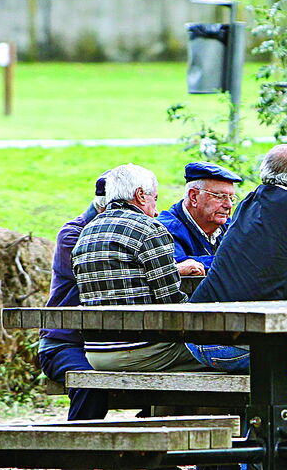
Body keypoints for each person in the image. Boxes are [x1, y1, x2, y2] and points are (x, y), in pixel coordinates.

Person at [187, 143, 287, 436]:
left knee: (277, 368)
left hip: (199, 335)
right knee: (281, 385)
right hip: (238, 341)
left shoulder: (248, 202)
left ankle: (260, 458)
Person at [72, 163, 208, 372]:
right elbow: (173, 305)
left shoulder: (88, 232)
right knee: (239, 354)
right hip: (144, 349)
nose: (155, 211)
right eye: (155, 198)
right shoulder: (149, 229)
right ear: (141, 195)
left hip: (95, 352)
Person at [37, 173, 111, 421]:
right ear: (104, 206)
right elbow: (101, 277)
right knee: (91, 384)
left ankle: (156, 455)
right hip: (65, 343)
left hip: (106, 346)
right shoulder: (72, 235)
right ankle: (78, 457)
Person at [158, 161, 243, 276]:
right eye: (220, 197)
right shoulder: (164, 230)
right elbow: (173, 265)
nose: (228, 205)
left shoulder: (230, 225)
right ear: (193, 197)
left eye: (231, 198)